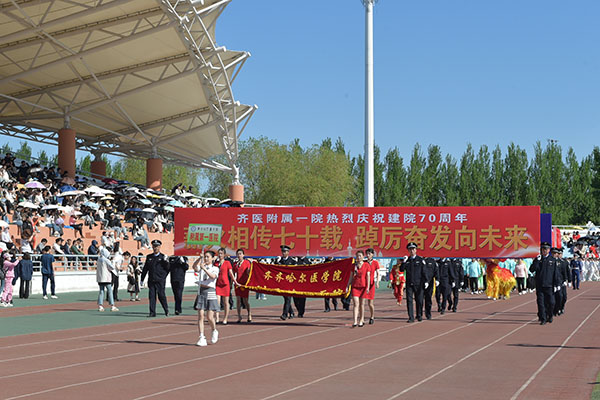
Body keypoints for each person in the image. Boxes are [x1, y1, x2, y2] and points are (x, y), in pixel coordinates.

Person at [529, 242, 561, 325]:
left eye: (546, 249)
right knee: (541, 303)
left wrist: (557, 284)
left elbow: (555, 273)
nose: (544, 251)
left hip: (549, 285)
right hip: (540, 285)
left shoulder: (553, 260)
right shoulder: (538, 259)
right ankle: (543, 318)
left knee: (551, 302)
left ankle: (550, 315)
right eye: (543, 249)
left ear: (549, 250)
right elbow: (532, 269)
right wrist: (537, 261)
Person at [193, 251, 220, 347]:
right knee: (200, 315)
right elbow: (194, 267)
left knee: (209, 317)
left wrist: (204, 268)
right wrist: (199, 259)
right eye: (205, 257)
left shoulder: (215, 268)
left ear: (212, 258)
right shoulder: (201, 266)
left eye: (208, 257)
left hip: (210, 291)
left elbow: (212, 276)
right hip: (201, 291)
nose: (206, 258)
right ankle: (201, 336)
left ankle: (214, 330)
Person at [140, 239, 170, 317]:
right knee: (152, 296)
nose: (155, 248)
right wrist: (142, 279)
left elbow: (167, 269)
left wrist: (163, 276)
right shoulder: (149, 257)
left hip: (160, 280)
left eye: (157, 246)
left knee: (161, 295)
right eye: (154, 246)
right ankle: (152, 312)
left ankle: (166, 309)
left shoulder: (163, 257)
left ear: (160, 247)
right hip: (151, 280)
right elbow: (145, 269)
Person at [400, 242, 425, 323]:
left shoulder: (420, 260)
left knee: (419, 300)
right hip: (409, 283)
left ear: (416, 250)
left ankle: (419, 315)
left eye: (413, 249)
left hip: (419, 283)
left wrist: (426, 281)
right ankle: (411, 317)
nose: (412, 251)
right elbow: (401, 269)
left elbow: (424, 271)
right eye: (410, 249)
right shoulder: (407, 260)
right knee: (409, 301)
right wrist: (404, 261)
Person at [278, 245, 300, 320]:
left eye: (285, 251)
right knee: (286, 299)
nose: (283, 253)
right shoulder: (279, 261)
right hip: (283, 283)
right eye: (282, 251)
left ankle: (284, 314)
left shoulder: (293, 261)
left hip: (290, 283)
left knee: (287, 299)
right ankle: (292, 312)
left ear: (288, 252)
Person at [96, 244, 119, 312]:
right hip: (106, 278)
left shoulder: (99, 259)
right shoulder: (106, 260)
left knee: (101, 291)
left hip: (100, 278)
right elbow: (112, 267)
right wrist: (112, 262)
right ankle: (112, 305)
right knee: (110, 291)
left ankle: (100, 306)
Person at [350, 250, 370, 327]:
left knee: (362, 304)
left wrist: (368, 287)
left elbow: (368, 276)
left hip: (363, 286)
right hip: (355, 286)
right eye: (357, 256)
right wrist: (348, 285)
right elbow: (351, 276)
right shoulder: (353, 266)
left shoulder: (366, 265)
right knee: (356, 303)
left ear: (363, 256)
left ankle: (361, 319)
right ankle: (355, 321)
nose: (358, 257)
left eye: (360, 256)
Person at [232, 248, 252, 323]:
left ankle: (249, 313)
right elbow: (233, 273)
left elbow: (249, 272)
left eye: (240, 254)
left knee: (245, 300)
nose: (239, 255)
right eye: (238, 254)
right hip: (237, 284)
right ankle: (239, 316)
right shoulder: (235, 264)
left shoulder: (247, 262)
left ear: (243, 255)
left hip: (244, 284)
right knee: (238, 300)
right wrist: (233, 282)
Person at [214, 248, 233, 323]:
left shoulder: (227, 263)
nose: (220, 255)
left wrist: (234, 281)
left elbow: (231, 273)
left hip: (225, 284)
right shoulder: (216, 263)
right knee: (217, 302)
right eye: (219, 253)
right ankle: (217, 317)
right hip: (218, 284)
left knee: (226, 302)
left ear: (224, 254)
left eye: (221, 253)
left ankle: (225, 318)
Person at [364, 248, 379, 324]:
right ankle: (361, 318)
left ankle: (372, 316)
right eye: (367, 254)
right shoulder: (364, 262)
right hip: (363, 284)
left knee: (370, 303)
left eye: (369, 254)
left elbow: (378, 273)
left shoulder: (375, 263)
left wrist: (377, 282)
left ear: (372, 254)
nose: (368, 255)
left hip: (371, 284)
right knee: (362, 303)